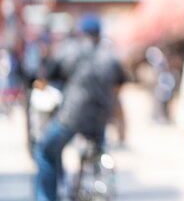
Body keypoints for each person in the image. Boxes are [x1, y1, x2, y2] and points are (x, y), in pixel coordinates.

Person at [34, 13, 127, 201]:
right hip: (101, 118)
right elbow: (120, 84)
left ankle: (47, 197)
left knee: (45, 151)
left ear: (81, 32)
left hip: (72, 116)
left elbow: (48, 75)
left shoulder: (69, 49)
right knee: (99, 151)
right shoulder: (111, 54)